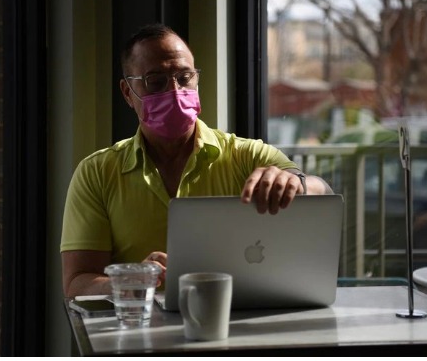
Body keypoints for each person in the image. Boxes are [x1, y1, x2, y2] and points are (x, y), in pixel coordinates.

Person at [61, 23, 332, 297]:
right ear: (127, 93)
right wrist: (128, 282)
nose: (175, 91)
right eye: (155, 81)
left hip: (235, 328)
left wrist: (296, 182)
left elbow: (322, 192)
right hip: (140, 333)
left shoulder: (250, 156)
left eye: (185, 77)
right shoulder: (97, 173)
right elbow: (77, 283)